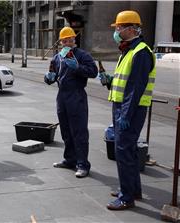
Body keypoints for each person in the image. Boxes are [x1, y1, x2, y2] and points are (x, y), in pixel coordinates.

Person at [99, 10, 156, 210]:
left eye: (120, 28)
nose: (117, 31)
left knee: (122, 150)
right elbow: (125, 82)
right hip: (123, 107)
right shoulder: (128, 50)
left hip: (131, 109)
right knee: (128, 150)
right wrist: (110, 81)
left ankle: (126, 197)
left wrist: (125, 114)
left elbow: (135, 88)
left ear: (132, 29)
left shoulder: (141, 52)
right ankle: (133, 190)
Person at [44, 27, 98, 178]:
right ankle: (70, 159)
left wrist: (78, 67)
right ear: (60, 42)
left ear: (75, 40)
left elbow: (93, 72)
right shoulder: (57, 58)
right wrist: (48, 77)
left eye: (70, 40)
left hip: (77, 95)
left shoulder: (82, 55)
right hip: (62, 96)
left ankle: (82, 164)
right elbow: (51, 78)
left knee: (79, 131)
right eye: (64, 40)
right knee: (66, 131)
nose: (67, 42)